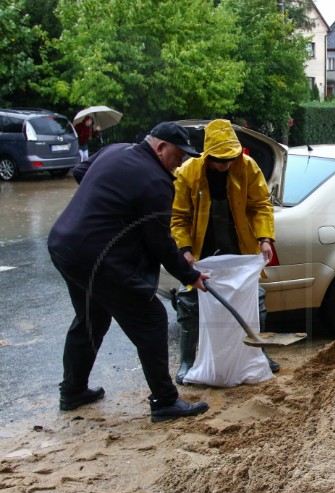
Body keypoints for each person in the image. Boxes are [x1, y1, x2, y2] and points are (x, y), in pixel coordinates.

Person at [48, 122, 211, 422]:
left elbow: (81, 173)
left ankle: (73, 391)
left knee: (91, 317)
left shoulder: (114, 150)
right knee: (151, 318)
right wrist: (190, 276)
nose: (181, 163)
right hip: (97, 259)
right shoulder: (155, 182)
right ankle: (164, 402)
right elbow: (161, 243)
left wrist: (106, 205)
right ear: (160, 147)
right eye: (178, 155)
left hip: (64, 246)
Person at [170, 119, 278, 385]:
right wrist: (184, 249)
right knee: (190, 303)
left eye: (230, 158)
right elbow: (178, 217)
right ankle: (187, 360)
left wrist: (265, 237)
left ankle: (257, 353)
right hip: (201, 249)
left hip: (238, 246)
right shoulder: (188, 173)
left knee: (255, 299)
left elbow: (261, 204)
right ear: (207, 155)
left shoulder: (248, 167)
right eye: (220, 160)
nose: (225, 165)